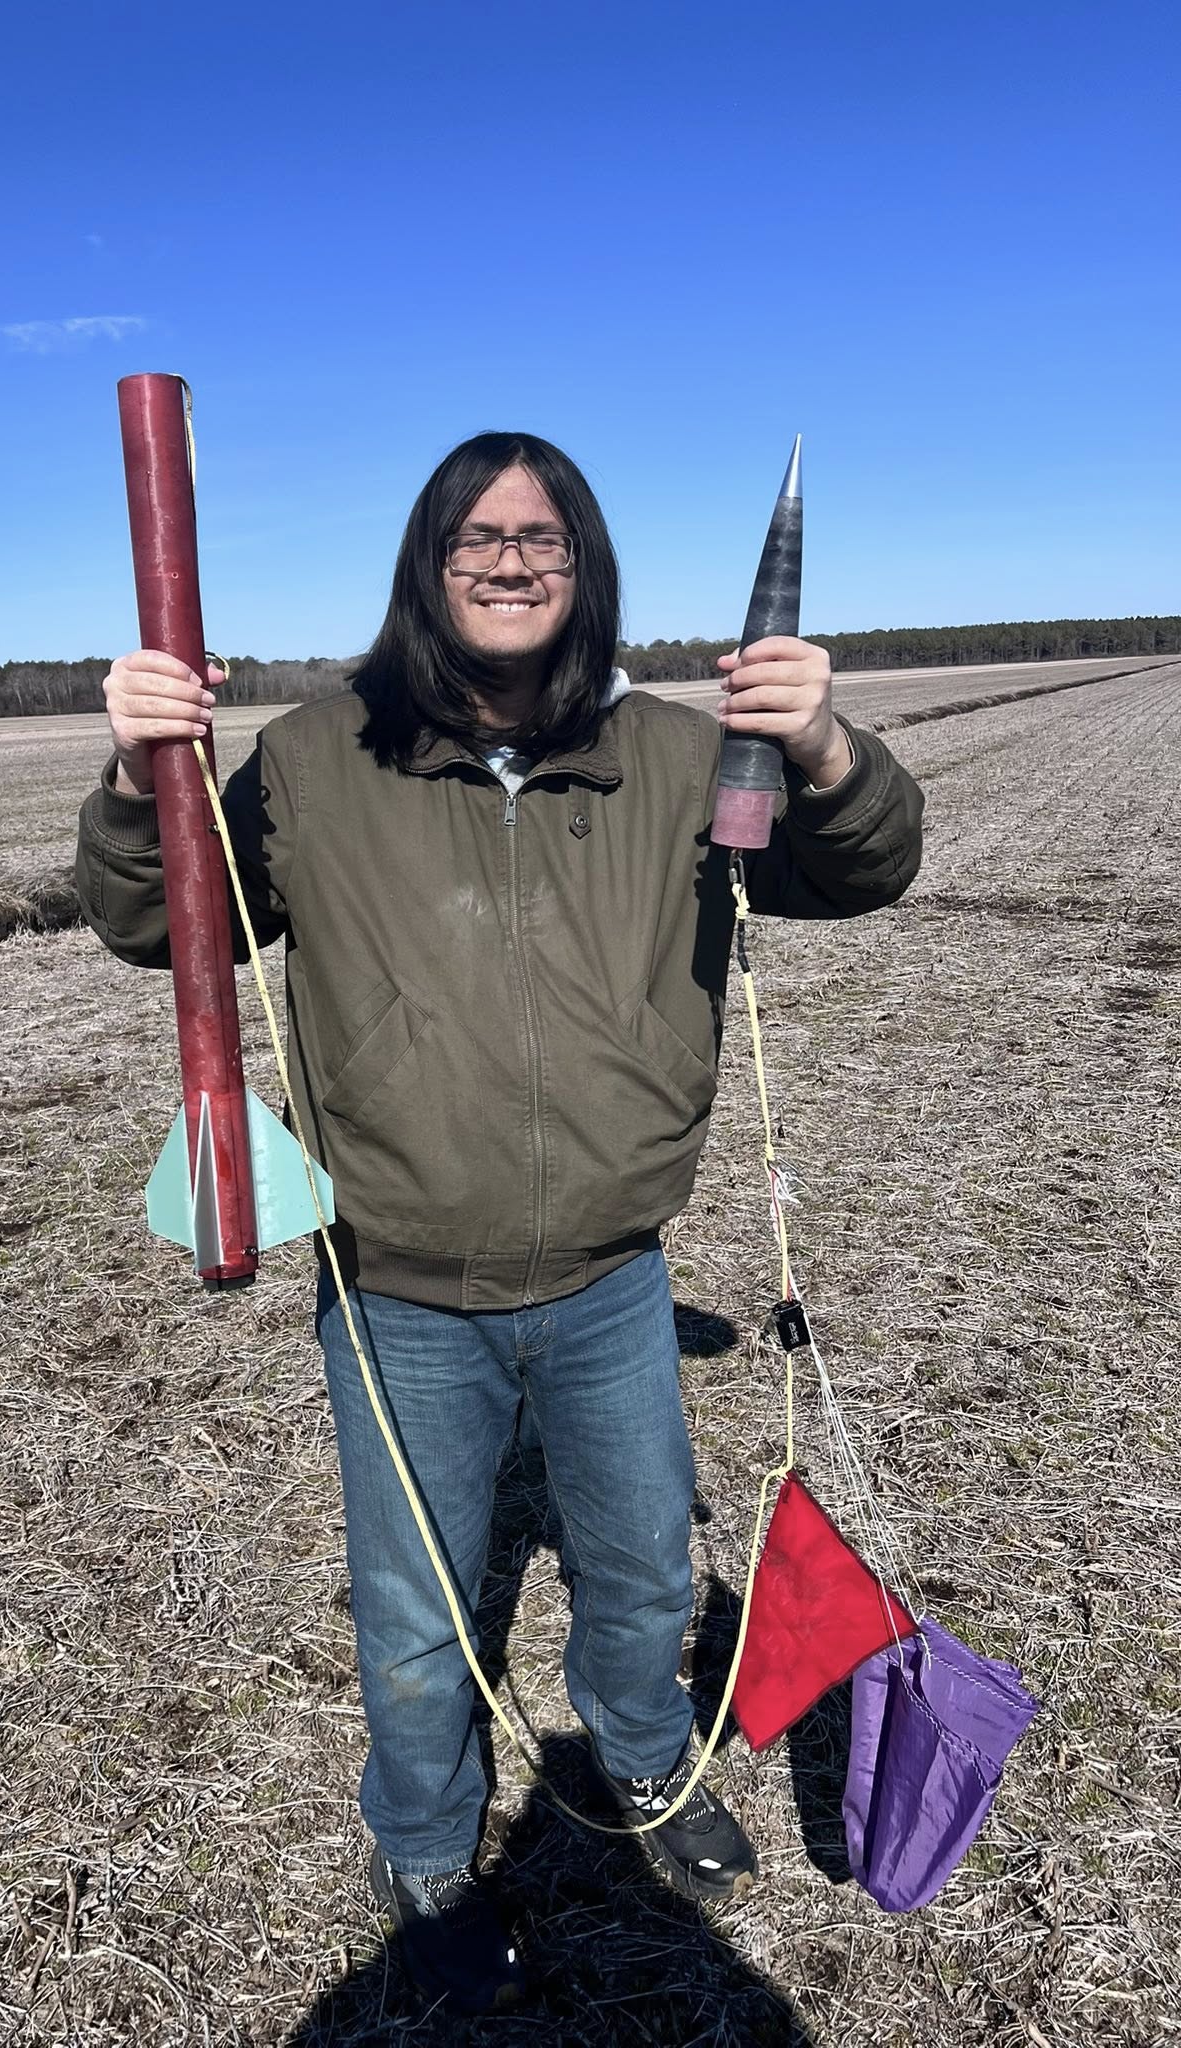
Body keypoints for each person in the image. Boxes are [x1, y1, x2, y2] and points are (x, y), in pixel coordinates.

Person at [75, 432, 924, 2015]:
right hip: (396, 1288)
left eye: (544, 537)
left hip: (612, 1277)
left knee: (641, 1567)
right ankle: (422, 1842)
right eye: (479, 536)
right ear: (429, 564)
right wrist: (141, 776)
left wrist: (820, 745)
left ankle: (649, 1767)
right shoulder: (321, 759)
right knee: (417, 1613)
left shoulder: (678, 757)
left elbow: (863, 866)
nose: (512, 559)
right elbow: (152, 920)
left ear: (585, 569)